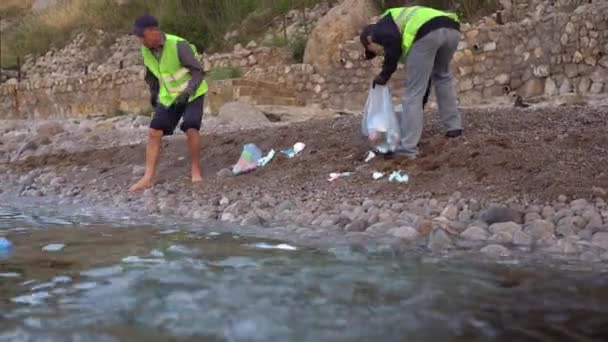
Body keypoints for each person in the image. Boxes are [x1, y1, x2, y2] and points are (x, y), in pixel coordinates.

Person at [360, 4, 463, 159]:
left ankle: (407, 149)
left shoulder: (378, 29)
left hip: (427, 33)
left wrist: (384, 75)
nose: (379, 52)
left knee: (412, 94)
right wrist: (420, 101)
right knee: (442, 77)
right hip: (451, 29)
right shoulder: (397, 21)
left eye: (373, 51)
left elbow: (392, 42)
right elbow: (424, 77)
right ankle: (454, 127)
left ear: (369, 40)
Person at [129, 14, 208, 192]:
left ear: (152, 31)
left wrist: (187, 92)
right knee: (154, 131)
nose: (139, 40)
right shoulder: (145, 50)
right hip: (169, 96)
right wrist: (154, 95)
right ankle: (148, 178)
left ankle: (195, 170)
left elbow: (198, 71)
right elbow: (152, 75)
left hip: (193, 93)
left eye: (140, 36)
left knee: (190, 127)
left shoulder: (178, 44)